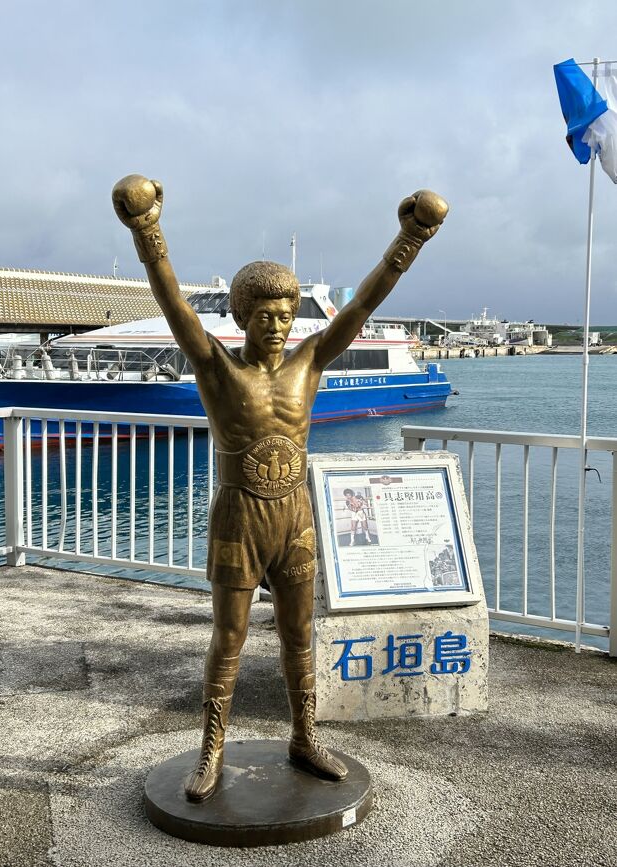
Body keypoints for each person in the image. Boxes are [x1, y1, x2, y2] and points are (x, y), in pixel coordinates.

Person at [112, 174, 448, 801]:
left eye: (286, 314)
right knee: (230, 636)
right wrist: (147, 232)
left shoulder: (311, 362)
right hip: (239, 514)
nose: (277, 324)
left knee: (299, 633)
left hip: (294, 513)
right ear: (241, 317)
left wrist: (410, 239)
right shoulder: (216, 367)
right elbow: (173, 307)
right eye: (265, 315)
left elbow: (362, 306)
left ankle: (304, 735)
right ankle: (212, 748)